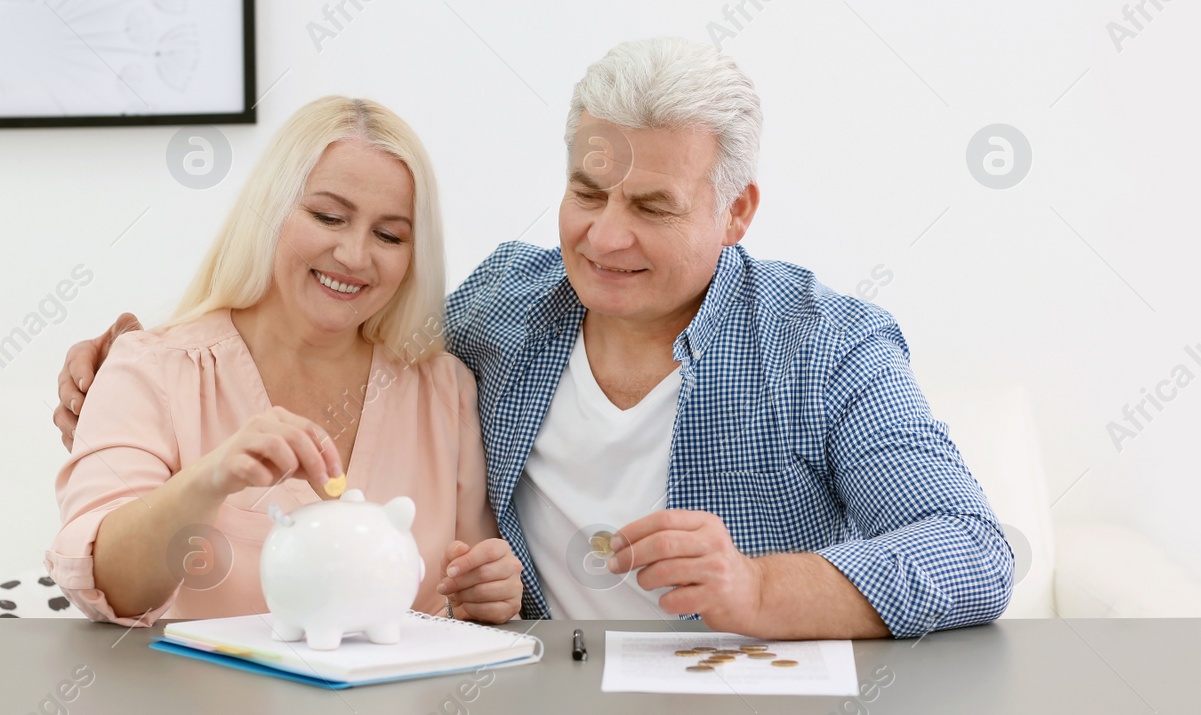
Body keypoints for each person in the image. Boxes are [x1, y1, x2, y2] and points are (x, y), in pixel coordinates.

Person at [57, 39, 1011, 640]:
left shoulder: (827, 345)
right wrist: (122, 371)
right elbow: (336, 317)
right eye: (588, 193)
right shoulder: (503, 311)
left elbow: (973, 550)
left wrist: (758, 588)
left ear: (736, 212)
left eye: (651, 206)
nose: (604, 236)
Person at [46, 96, 522, 627]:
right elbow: (108, 585)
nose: (355, 256)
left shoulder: (443, 387)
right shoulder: (150, 370)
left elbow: (464, 593)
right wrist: (212, 477)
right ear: (271, 210)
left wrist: (489, 593)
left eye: (389, 235)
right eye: (328, 217)